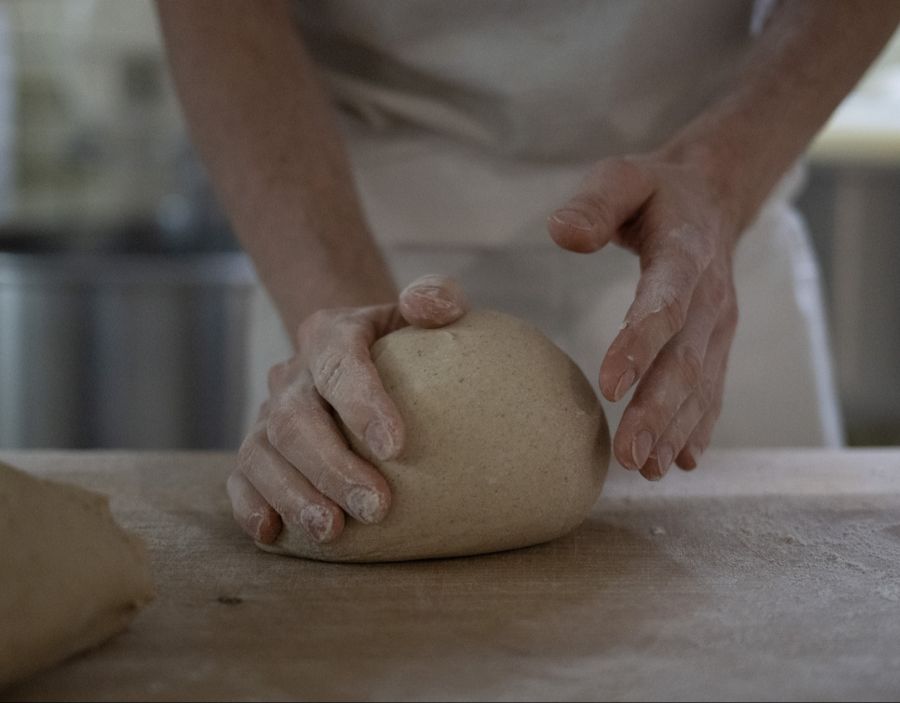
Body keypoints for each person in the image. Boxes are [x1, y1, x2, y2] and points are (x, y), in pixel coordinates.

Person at [156, 1, 900, 546]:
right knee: (339, 528)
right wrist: (332, 301)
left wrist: (725, 175)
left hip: (701, 229)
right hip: (341, 225)